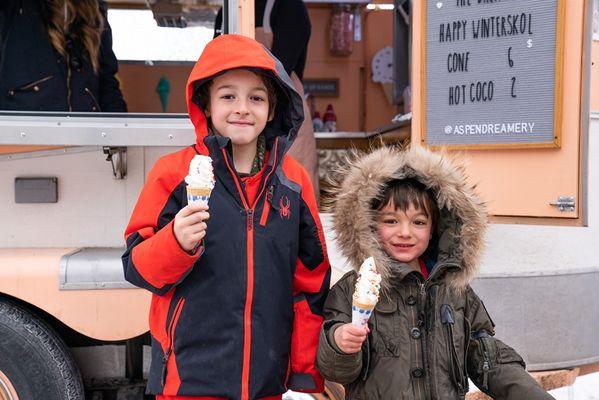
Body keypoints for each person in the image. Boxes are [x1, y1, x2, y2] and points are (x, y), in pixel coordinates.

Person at [122, 34, 330, 399]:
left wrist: (305, 371)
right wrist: (175, 243)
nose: (242, 108)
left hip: (267, 380)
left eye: (256, 97)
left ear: (273, 107)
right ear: (205, 102)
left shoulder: (293, 182)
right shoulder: (173, 174)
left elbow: (310, 282)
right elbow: (137, 267)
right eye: (228, 95)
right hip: (189, 379)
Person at [316, 146, 555, 400]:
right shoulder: (349, 290)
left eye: (418, 222)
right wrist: (340, 344)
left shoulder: (455, 291)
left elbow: (489, 360)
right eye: (391, 221)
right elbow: (335, 371)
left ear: (435, 228)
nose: (405, 232)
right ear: (369, 225)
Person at [215, 0, 320, 200]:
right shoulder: (227, 12)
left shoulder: (289, 7)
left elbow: (281, 70)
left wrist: (256, 101)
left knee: (291, 191)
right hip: (236, 118)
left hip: (285, 115)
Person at [0, 0, 127, 112]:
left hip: (84, 131)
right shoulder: (15, 7)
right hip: (24, 130)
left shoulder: (95, 10)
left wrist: (121, 130)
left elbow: (107, 82)